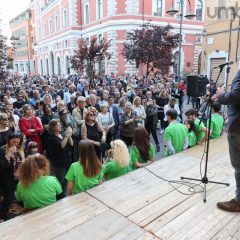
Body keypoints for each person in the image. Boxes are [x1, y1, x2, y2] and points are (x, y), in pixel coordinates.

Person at [215, 71, 240, 212]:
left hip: (238, 127)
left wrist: (221, 94)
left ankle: (238, 201)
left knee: (239, 166)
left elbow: (236, 96)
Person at [0, 132, 24, 222]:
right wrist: (9, 154)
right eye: (13, 142)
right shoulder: (2, 150)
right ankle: (2, 217)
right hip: (6, 177)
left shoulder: (19, 149)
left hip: (17, 177)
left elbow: (20, 163)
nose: (15, 144)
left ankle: (18, 213)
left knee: (19, 195)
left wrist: (19, 171)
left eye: (18, 142)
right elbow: (2, 166)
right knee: (8, 197)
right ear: (9, 140)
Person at [48, 119, 73, 196]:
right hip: (59, 162)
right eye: (58, 125)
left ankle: (64, 195)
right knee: (60, 180)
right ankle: (58, 196)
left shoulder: (62, 135)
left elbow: (71, 144)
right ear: (53, 127)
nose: (60, 126)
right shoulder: (51, 138)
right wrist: (67, 136)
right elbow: (62, 146)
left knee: (66, 180)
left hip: (67, 160)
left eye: (60, 125)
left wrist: (69, 136)